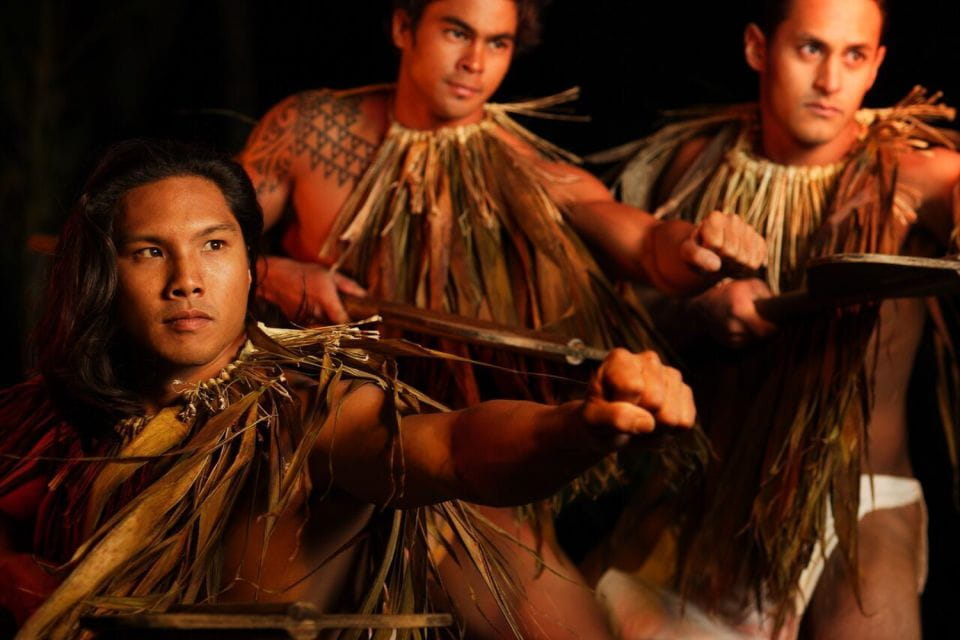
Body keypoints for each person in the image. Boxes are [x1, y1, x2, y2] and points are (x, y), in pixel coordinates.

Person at [0, 139, 698, 640]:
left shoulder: (300, 412)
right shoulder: (43, 420)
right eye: (149, 252)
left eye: (214, 245)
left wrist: (578, 427)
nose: (186, 277)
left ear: (250, 269)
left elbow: (450, 447)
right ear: (104, 276)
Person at [239, 1, 766, 638]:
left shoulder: (527, 169)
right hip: (312, 454)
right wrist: (274, 273)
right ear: (405, 27)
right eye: (457, 33)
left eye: (498, 43)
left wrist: (697, 251)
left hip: (460, 466)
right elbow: (206, 242)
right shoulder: (309, 129)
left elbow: (646, 245)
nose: (475, 63)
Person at [586, 0, 960, 637]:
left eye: (854, 56)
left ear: (877, 67)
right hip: (706, 503)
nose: (830, 81)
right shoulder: (696, 166)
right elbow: (625, 306)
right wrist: (697, 305)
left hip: (862, 503)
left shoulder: (913, 174)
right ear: (759, 48)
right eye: (810, 49)